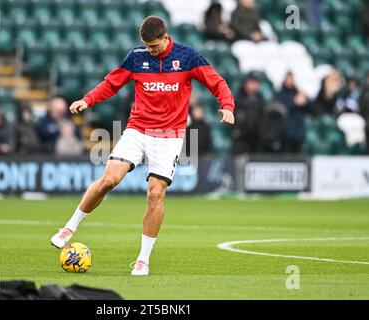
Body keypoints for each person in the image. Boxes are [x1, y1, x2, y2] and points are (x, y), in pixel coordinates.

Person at [50, 16, 235, 276]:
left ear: (166, 37)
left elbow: (217, 82)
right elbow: (111, 83)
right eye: (147, 46)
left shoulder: (188, 56)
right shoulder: (137, 57)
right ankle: (70, 226)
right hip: (137, 130)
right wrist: (87, 100)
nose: (151, 51)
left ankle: (142, 260)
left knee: (155, 194)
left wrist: (227, 105)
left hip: (169, 137)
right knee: (109, 179)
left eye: (155, 47)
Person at [274, 72, 312, 153]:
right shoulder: (279, 94)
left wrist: (306, 100)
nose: (290, 81)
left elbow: (312, 109)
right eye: (288, 78)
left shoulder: (299, 93)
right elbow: (281, 110)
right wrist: (294, 103)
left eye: (291, 78)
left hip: (299, 133)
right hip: (285, 134)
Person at [231, 73, 264, 154]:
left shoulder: (260, 100)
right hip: (241, 140)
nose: (254, 85)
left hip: (255, 139)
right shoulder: (238, 99)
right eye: (251, 82)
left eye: (255, 83)